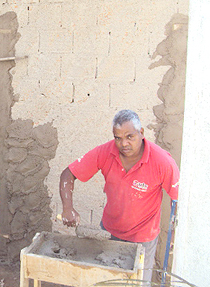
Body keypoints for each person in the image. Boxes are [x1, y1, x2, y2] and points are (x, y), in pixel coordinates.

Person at [59, 109, 179, 282]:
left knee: (137, 284)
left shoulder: (162, 161)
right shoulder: (106, 152)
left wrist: (176, 236)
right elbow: (68, 174)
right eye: (118, 138)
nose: (123, 143)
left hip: (142, 240)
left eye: (130, 136)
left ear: (142, 133)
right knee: (105, 282)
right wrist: (67, 208)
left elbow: (179, 198)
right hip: (109, 233)